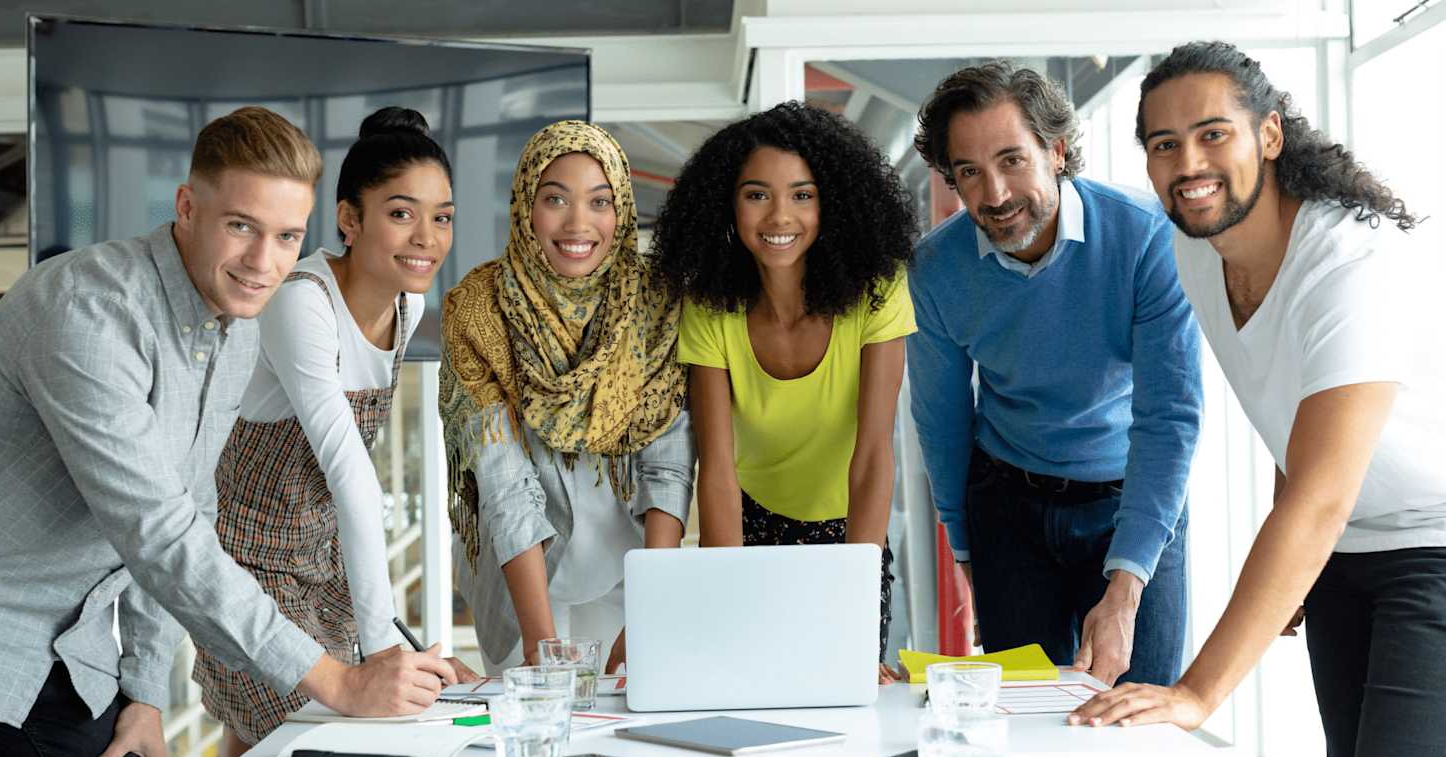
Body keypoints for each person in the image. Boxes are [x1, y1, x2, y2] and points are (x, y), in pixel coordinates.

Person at [0, 107, 454, 757]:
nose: (265, 261)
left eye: (288, 237)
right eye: (241, 226)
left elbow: (194, 505)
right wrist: (337, 679)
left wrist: (143, 691)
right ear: (188, 208)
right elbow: (157, 532)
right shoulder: (88, 311)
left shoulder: (232, 324)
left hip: (52, 647)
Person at [1070, 41, 1446, 757]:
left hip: (1435, 543)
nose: (1188, 163)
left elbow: (1319, 497)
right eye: (1164, 145)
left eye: (1213, 134)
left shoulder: (1350, 261)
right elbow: (1293, 413)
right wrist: (1301, 568)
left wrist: (1197, 695)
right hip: (1350, 551)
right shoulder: (1197, 253)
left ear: (1269, 135)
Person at [905, 62, 1202, 687]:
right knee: (1028, 720)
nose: (994, 194)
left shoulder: (1148, 238)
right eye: (969, 172)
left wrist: (1125, 587)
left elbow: (1168, 417)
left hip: (1132, 494)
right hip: (1008, 508)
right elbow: (942, 422)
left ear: (1057, 150)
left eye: (1012, 160)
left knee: (1137, 713)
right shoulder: (936, 269)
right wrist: (969, 555)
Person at [194, 107, 476, 757]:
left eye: (442, 217)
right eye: (402, 213)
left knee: (270, 748)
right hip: (250, 569)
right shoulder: (302, 302)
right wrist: (383, 649)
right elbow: (351, 475)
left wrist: (387, 644)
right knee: (314, 743)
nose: (427, 237)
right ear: (350, 219)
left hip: (324, 570)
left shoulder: (408, 306)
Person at [651, 101, 919, 682]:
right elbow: (716, 471)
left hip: (851, 532)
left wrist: (853, 599)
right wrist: (731, 597)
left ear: (834, 203)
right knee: (747, 676)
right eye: (756, 195)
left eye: (803, 194)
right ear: (727, 202)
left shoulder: (878, 291)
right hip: (749, 523)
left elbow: (874, 455)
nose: (780, 215)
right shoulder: (710, 304)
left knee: (845, 684)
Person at [439, 120, 693, 675]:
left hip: (629, 566)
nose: (579, 223)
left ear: (621, 211)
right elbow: (502, 482)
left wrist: (650, 609)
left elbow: (668, 469)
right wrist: (540, 645)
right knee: (537, 716)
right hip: (519, 578)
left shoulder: (657, 304)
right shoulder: (478, 311)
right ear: (526, 205)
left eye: (599, 202)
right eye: (555, 199)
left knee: (626, 724)